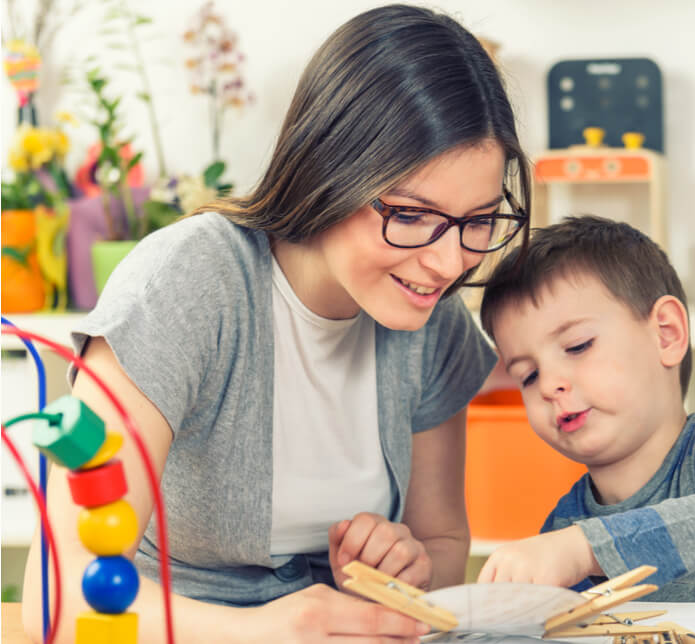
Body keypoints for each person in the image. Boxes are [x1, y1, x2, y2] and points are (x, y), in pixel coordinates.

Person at [22, 4, 531, 642]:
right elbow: (58, 594)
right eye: (411, 215)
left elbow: (442, 540)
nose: (448, 261)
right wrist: (262, 629)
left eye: (479, 221)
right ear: (331, 169)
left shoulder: (433, 322)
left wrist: (404, 572)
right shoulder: (189, 284)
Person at [475, 216, 695, 625]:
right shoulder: (564, 526)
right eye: (528, 375)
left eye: (577, 346)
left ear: (666, 334)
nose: (549, 386)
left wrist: (584, 550)